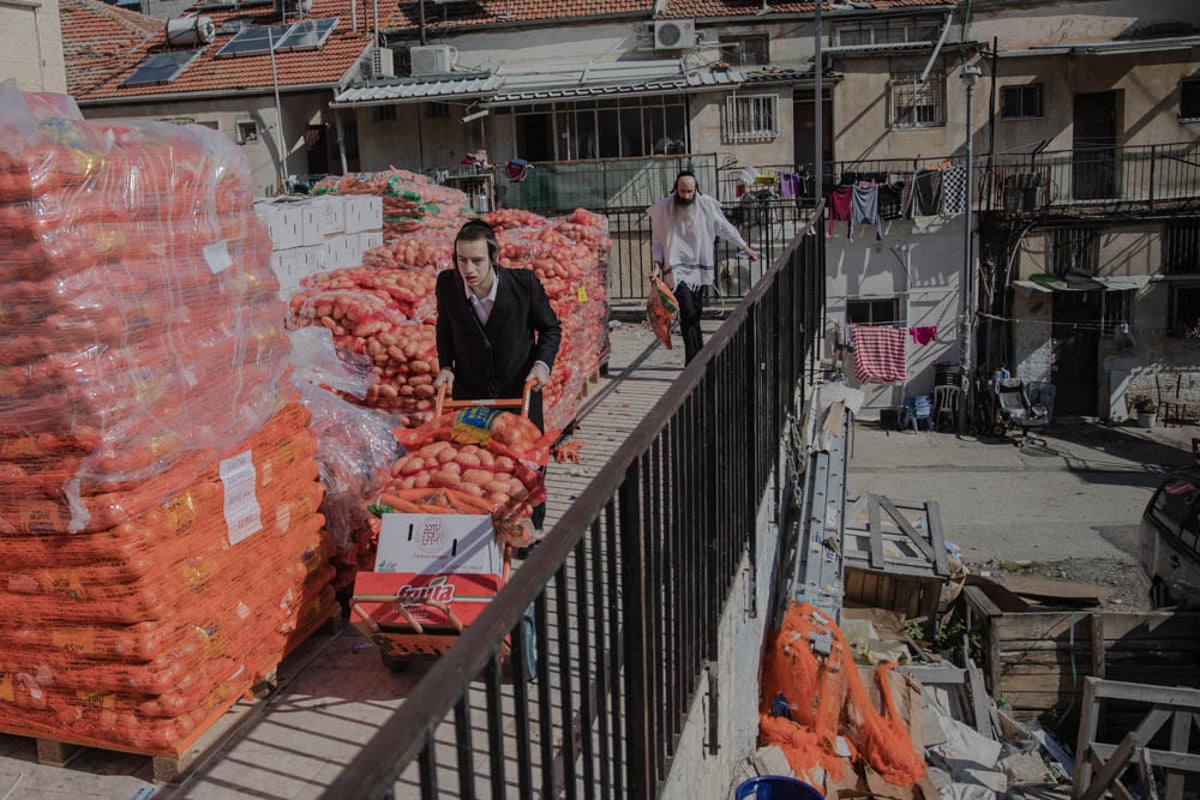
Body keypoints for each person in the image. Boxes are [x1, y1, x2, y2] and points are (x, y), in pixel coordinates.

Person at [434, 219, 561, 542]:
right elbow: (445, 328)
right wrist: (445, 366)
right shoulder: (447, 285)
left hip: (518, 389)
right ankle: (481, 532)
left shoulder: (524, 286)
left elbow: (550, 329)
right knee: (478, 466)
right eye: (462, 260)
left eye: (477, 260)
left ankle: (532, 530)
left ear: (494, 258)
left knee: (527, 463)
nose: (468, 268)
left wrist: (542, 366)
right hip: (471, 391)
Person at [647, 171, 759, 363]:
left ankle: (698, 355)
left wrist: (744, 246)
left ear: (695, 189)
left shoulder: (706, 205)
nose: (686, 195)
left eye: (690, 191)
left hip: (698, 269)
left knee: (696, 311)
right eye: (682, 191)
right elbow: (657, 240)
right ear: (676, 189)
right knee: (688, 310)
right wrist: (657, 265)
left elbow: (724, 227)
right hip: (676, 269)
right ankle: (693, 359)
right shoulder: (664, 209)